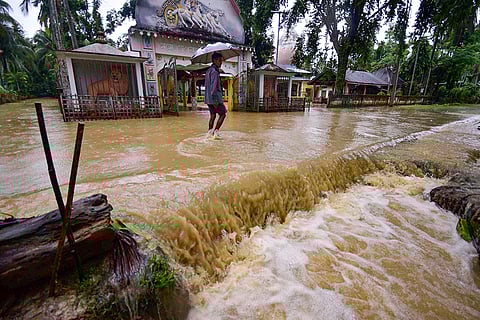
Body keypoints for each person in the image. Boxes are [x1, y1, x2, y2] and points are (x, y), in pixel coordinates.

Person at [205, 52, 227, 139]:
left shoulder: (208, 71)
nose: (221, 62)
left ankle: (209, 133)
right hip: (215, 98)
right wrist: (215, 101)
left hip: (208, 98)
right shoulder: (214, 72)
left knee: (213, 115)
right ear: (214, 60)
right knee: (223, 114)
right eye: (219, 60)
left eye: (221, 60)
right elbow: (213, 87)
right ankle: (216, 132)